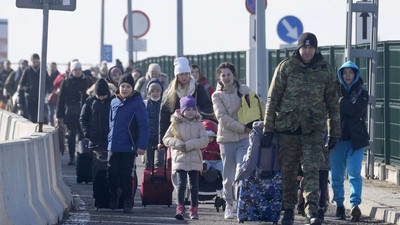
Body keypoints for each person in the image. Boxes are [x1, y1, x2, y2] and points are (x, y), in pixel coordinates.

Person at [261, 32, 340, 225]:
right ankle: (288, 209)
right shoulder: (286, 67)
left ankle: (311, 211)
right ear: (298, 49)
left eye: (311, 48)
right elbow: (273, 99)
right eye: (304, 48)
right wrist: (268, 128)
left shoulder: (325, 70)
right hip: (288, 128)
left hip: (313, 129)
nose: (307, 51)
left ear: (316, 49)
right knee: (288, 172)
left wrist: (334, 133)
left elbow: (333, 104)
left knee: (312, 170)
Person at [211, 62, 252, 220]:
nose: (226, 78)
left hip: (244, 139)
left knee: (242, 171)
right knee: (228, 177)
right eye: (223, 75)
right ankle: (229, 204)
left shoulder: (244, 90)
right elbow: (223, 119)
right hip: (226, 140)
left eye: (229, 74)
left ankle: (242, 204)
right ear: (219, 78)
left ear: (234, 75)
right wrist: (243, 128)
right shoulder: (217, 96)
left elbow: (258, 106)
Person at [330, 61, 369, 222]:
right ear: (340, 74)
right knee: (336, 176)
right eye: (344, 72)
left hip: (356, 141)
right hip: (337, 140)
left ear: (355, 75)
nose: (347, 75)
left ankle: (355, 205)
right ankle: (340, 205)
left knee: (354, 174)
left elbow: (356, 111)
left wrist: (340, 103)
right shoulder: (333, 92)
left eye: (350, 72)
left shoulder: (362, 92)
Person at [107, 74, 149, 213]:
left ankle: (127, 201)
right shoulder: (113, 102)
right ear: (119, 87)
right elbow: (111, 123)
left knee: (126, 175)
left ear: (132, 88)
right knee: (111, 173)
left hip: (129, 146)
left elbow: (144, 126)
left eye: (128, 87)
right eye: (122, 86)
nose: (125, 89)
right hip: (113, 145)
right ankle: (113, 195)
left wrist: (142, 146)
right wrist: (109, 139)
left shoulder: (137, 103)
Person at [162, 95, 208, 220]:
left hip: (194, 158)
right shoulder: (175, 124)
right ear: (182, 110)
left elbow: (204, 140)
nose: (190, 112)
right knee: (181, 184)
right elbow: (166, 138)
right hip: (180, 158)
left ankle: (194, 209)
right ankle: (180, 207)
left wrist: (190, 145)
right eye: (187, 109)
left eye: (193, 109)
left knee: (194, 185)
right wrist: (178, 144)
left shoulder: (199, 125)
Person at [158, 57, 213, 152]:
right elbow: (164, 116)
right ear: (177, 76)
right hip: (177, 134)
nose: (184, 77)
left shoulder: (197, 88)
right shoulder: (170, 92)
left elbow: (207, 107)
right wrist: (161, 140)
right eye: (181, 74)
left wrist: (197, 114)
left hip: (194, 132)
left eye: (187, 74)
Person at [56, 60, 92, 165]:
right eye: (75, 70)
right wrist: (59, 115)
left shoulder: (87, 81)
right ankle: (72, 156)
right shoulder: (66, 81)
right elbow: (61, 98)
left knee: (82, 135)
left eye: (79, 69)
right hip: (70, 113)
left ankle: (81, 155)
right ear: (72, 70)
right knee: (71, 135)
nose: (78, 72)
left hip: (84, 113)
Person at [79, 78, 112, 158]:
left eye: (103, 96)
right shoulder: (90, 101)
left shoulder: (113, 101)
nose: (101, 98)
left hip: (109, 139)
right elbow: (83, 118)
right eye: (99, 96)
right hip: (94, 140)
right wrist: (86, 132)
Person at [17, 53, 50, 122]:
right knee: (30, 116)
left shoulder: (43, 71)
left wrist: (45, 92)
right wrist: (21, 98)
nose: (35, 63)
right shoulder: (27, 71)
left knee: (40, 116)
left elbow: (48, 83)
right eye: (34, 62)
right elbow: (21, 85)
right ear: (31, 62)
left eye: (37, 62)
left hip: (40, 98)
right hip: (29, 97)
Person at [143, 78, 164, 169]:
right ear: (148, 92)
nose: (155, 93)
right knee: (148, 162)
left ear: (161, 91)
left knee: (160, 162)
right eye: (152, 91)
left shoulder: (164, 104)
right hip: (148, 137)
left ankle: (160, 181)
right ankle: (148, 181)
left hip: (161, 138)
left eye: (157, 91)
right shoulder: (145, 104)